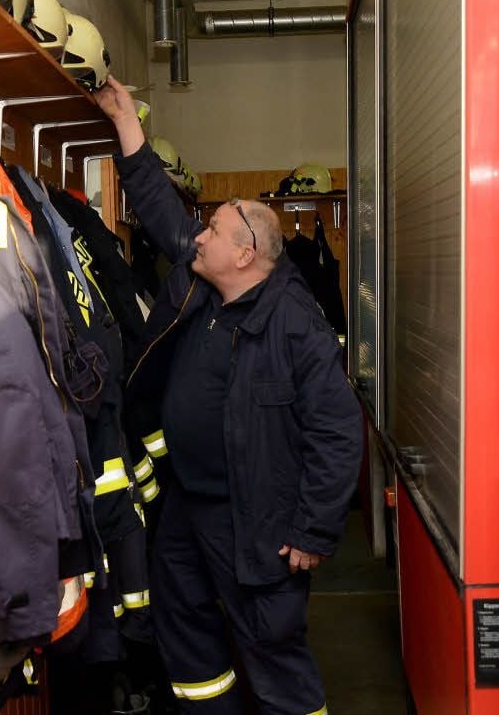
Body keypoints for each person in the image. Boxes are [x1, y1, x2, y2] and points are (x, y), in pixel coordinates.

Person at [94, 75, 363, 714]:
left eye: (211, 229)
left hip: (259, 521)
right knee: (185, 634)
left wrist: (315, 530)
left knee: (273, 655)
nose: (198, 237)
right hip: (189, 508)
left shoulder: (295, 323)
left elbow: (338, 429)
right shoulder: (206, 283)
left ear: (245, 256)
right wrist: (126, 122)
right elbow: (161, 209)